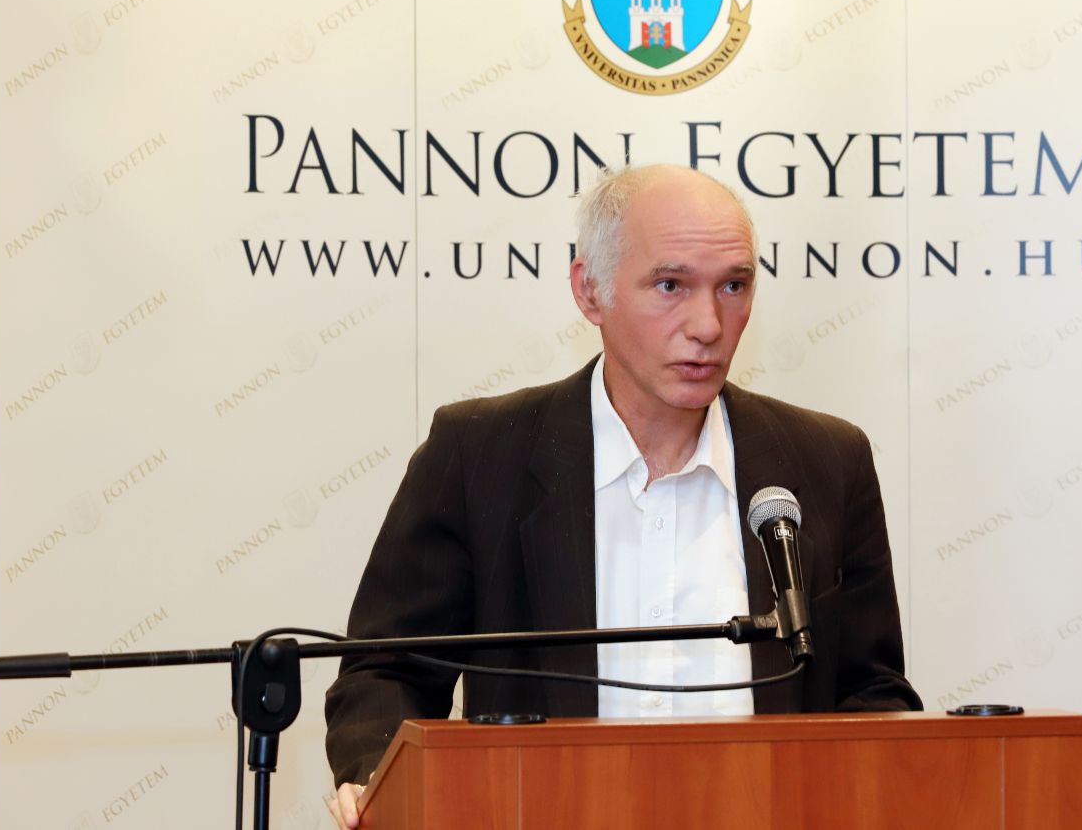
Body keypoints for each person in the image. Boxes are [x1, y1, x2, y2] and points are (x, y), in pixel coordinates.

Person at [324, 164, 920, 828]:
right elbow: (386, 672)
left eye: (733, 285)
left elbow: (870, 692)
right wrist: (380, 777)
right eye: (670, 285)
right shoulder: (480, 454)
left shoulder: (827, 460)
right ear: (590, 290)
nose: (708, 324)